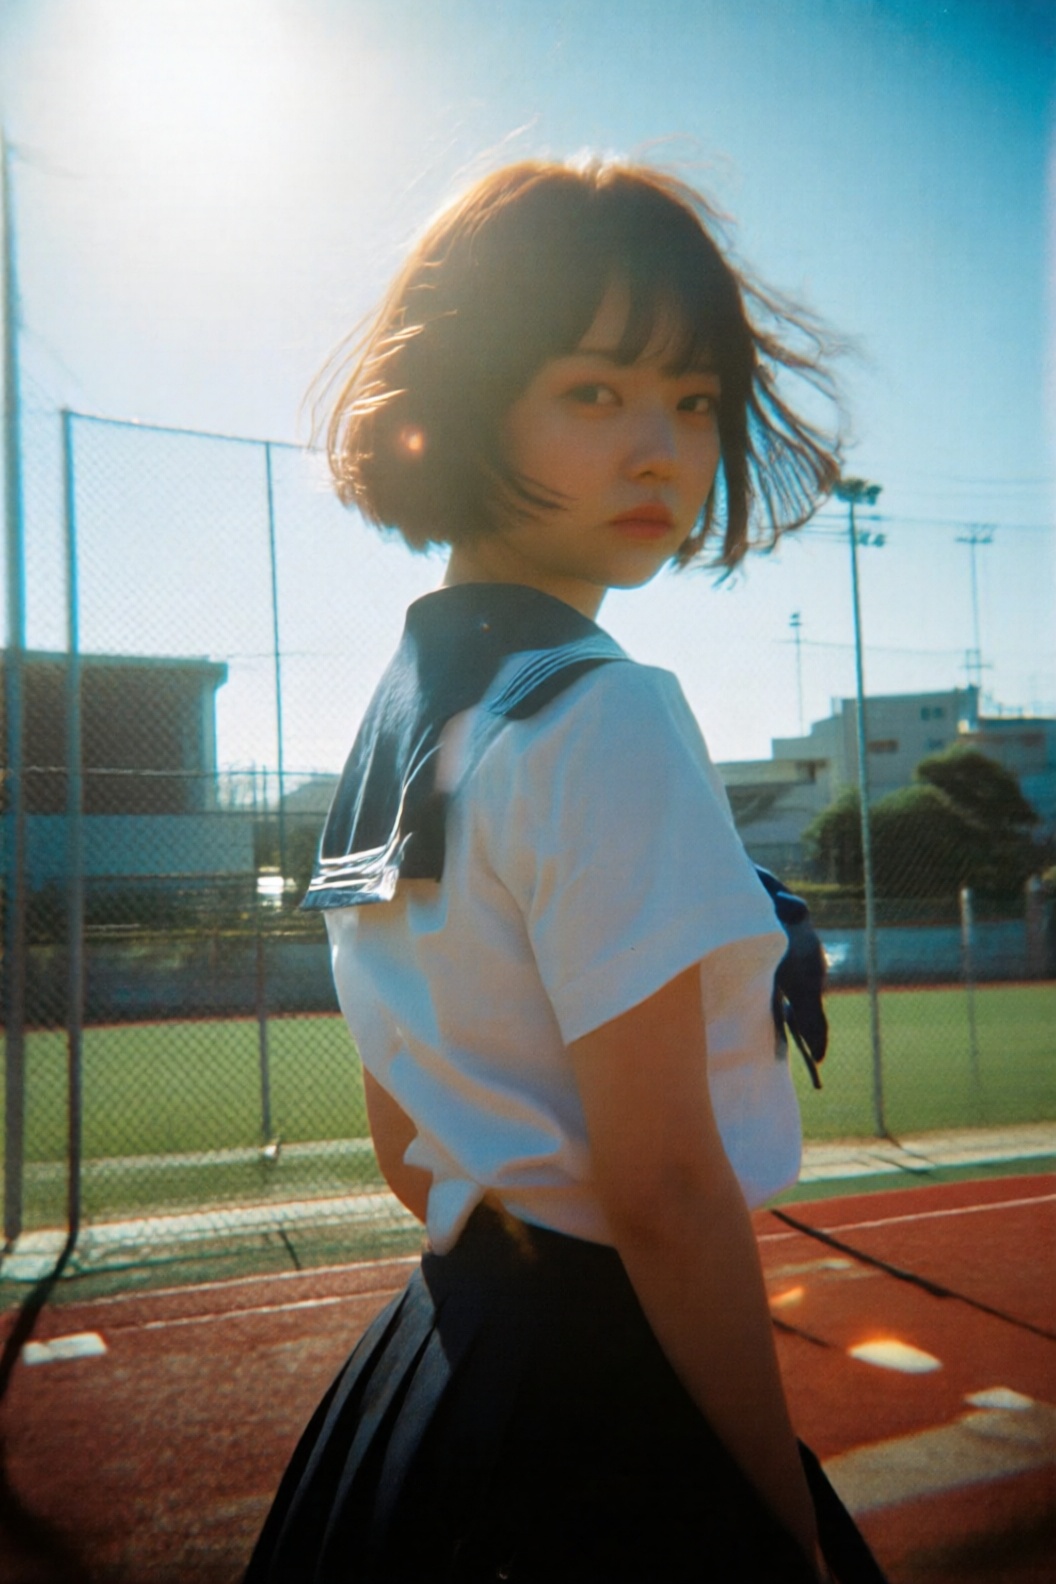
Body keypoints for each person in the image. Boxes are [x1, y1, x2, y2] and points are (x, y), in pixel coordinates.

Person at [245, 158, 887, 1584]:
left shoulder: (399, 719)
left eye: (694, 399)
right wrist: (786, 1530)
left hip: (440, 1365)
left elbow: (406, 1146)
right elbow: (663, 1187)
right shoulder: (608, 710)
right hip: (603, 1387)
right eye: (595, 392)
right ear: (467, 400)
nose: (661, 447)